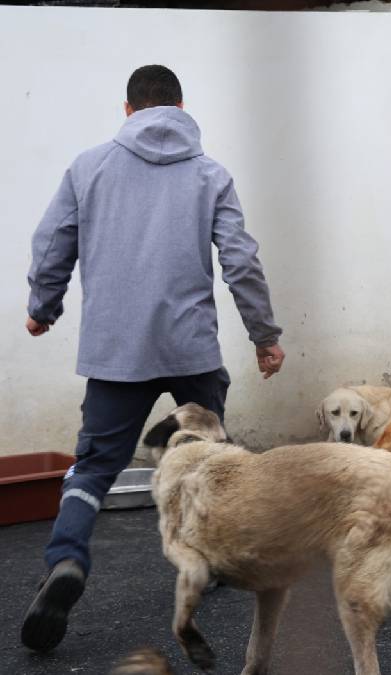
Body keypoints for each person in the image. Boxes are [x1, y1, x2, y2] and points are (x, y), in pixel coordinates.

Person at [21, 65, 285, 652]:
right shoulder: (209, 174)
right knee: (209, 457)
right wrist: (264, 335)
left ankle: (66, 560)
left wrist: (45, 305)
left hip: (115, 351)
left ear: (127, 110)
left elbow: (52, 241)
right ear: (181, 106)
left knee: (92, 467)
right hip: (190, 346)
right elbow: (240, 261)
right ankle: (212, 561)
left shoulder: (88, 166)